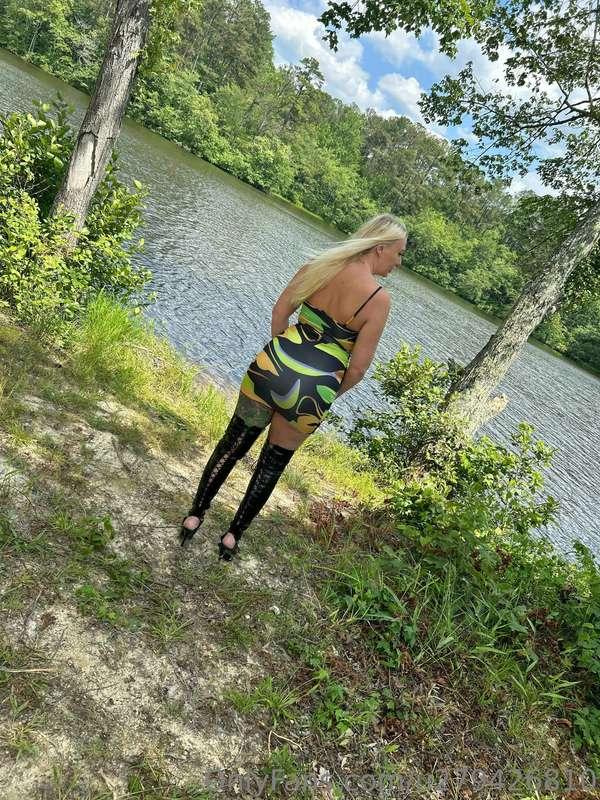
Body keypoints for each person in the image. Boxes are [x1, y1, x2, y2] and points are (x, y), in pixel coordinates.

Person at [179, 213, 407, 561]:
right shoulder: (378, 299)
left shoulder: (320, 266)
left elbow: (279, 313)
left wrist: (280, 356)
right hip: (313, 390)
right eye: (399, 253)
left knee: (232, 444)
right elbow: (358, 369)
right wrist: (325, 394)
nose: (399, 262)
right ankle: (232, 536)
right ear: (380, 248)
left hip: (271, 366)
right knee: (271, 464)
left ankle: (195, 516)